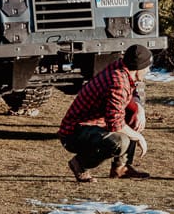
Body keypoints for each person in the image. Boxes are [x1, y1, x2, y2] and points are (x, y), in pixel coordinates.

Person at [58, 44, 153, 182]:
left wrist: (139, 109)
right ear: (138, 68)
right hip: (74, 132)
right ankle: (80, 164)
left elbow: (132, 92)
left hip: (95, 125)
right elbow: (115, 124)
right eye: (147, 67)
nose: (148, 70)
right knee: (120, 141)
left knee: (132, 112)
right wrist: (139, 137)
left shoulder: (122, 68)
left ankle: (121, 168)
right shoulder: (118, 82)